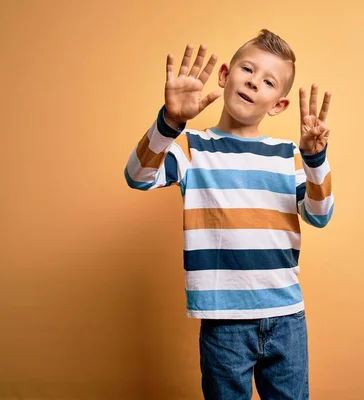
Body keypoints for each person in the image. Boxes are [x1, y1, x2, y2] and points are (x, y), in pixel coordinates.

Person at [124, 29, 334, 399]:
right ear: (225, 76)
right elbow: (138, 176)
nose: (254, 82)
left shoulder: (289, 156)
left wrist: (315, 159)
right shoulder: (192, 149)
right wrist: (170, 123)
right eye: (248, 70)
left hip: (286, 316)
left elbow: (319, 214)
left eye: (268, 81)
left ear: (278, 105)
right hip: (223, 322)